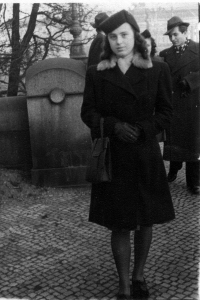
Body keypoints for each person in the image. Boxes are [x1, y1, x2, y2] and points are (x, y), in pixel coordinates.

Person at [81, 10, 175, 300]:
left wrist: (144, 129)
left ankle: (139, 276)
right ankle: (123, 284)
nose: (119, 41)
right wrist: (113, 126)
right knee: (119, 222)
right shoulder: (97, 73)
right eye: (112, 36)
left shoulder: (157, 69)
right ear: (106, 40)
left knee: (145, 219)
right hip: (114, 156)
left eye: (124, 34)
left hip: (144, 153)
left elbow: (167, 113)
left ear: (135, 35)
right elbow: (88, 112)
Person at [159, 16, 200, 195]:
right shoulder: (166, 54)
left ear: (185, 32)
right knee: (175, 138)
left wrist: (190, 81)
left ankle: (194, 181)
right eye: (170, 36)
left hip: (193, 102)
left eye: (175, 35)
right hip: (174, 103)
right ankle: (173, 169)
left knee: (193, 142)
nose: (172, 39)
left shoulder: (198, 49)